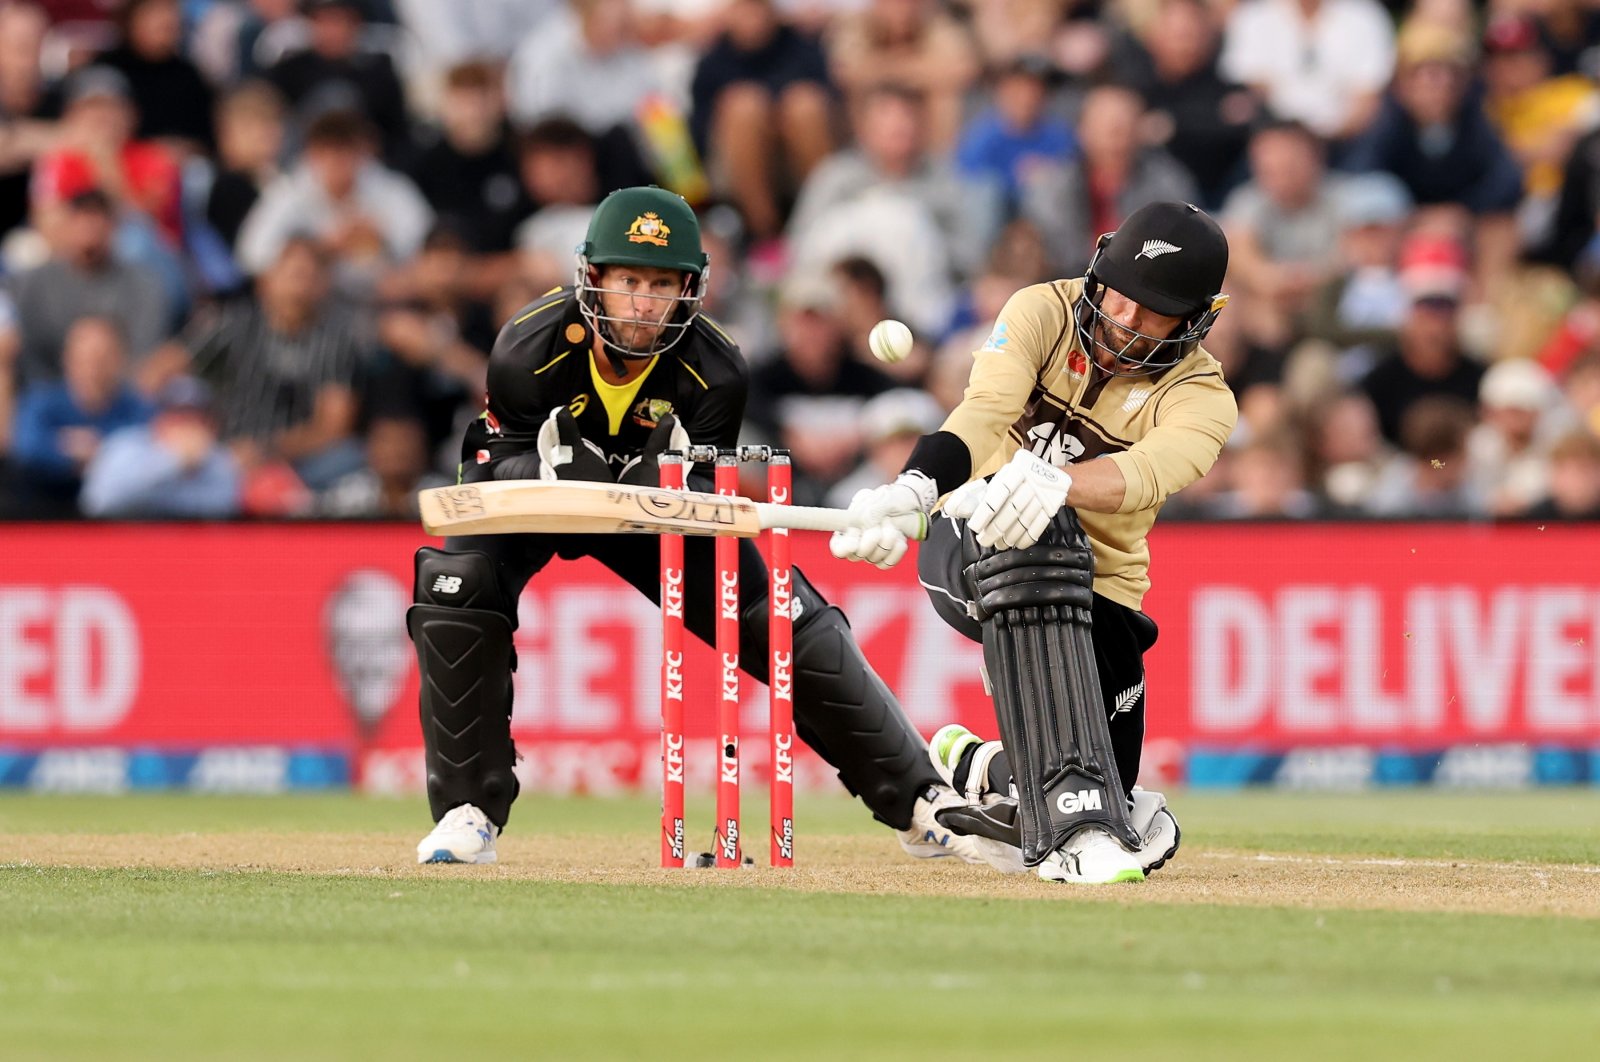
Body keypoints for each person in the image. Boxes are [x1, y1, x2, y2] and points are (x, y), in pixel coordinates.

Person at [409, 185, 989, 866]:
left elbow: (705, 498)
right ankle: (466, 812)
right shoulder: (528, 346)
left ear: (691, 288)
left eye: (662, 284)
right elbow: (493, 471)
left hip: (647, 508)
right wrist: (552, 478)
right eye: (629, 281)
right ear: (593, 279)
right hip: (537, 495)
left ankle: (918, 800)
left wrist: (656, 487)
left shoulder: (715, 369)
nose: (645, 303)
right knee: (457, 584)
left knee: (779, 613)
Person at [828, 201, 1237, 884]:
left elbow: (1144, 473)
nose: (1125, 321)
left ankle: (981, 769)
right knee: (1030, 537)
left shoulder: (1204, 398)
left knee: (1109, 788)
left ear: (1197, 320)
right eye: (1121, 297)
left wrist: (1058, 483)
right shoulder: (1040, 311)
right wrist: (916, 489)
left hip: (1102, 588)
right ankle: (1052, 813)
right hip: (971, 541)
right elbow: (984, 414)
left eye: (1154, 310)